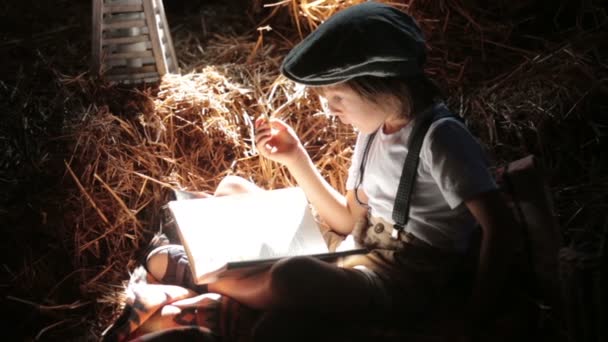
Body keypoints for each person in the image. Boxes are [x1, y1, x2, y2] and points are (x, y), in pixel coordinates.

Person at [145, 1, 522, 338]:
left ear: (383, 86)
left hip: (397, 282)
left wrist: (477, 314)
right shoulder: (374, 132)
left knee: (291, 277)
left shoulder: (440, 139)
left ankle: (203, 275)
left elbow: (499, 225)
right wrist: (296, 158)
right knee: (233, 187)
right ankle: (234, 275)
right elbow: (346, 221)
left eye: (338, 97)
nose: (330, 109)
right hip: (351, 255)